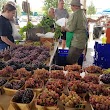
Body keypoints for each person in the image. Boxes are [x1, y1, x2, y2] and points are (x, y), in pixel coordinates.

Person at [61, 0, 87, 65]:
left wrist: (63, 28)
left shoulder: (75, 14)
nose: (71, 7)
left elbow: (70, 29)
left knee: (70, 61)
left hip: (77, 42)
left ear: (75, 6)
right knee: (75, 61)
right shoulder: (82, 13)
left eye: (71, 6)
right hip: (82, 41)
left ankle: (74, 74)